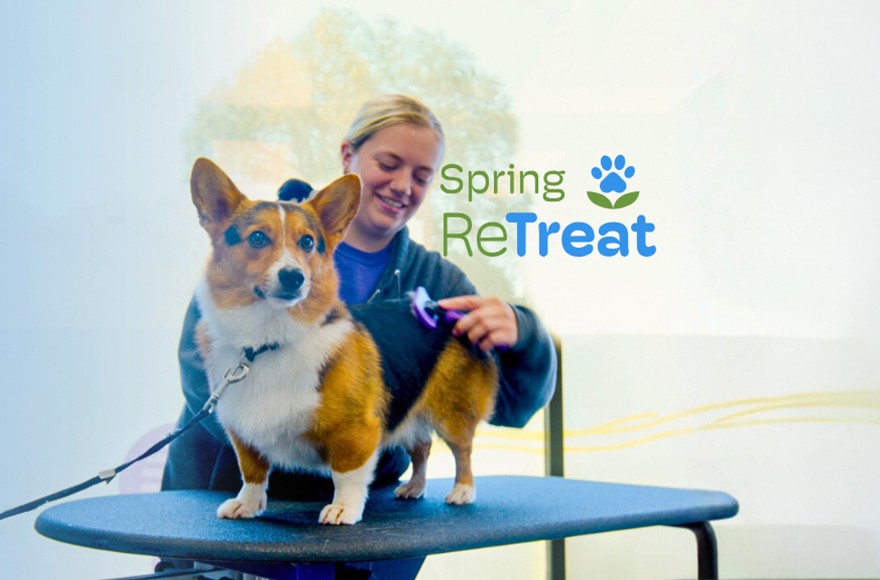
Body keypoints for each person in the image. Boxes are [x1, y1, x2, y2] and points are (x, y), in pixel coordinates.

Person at [161, 94, 557, 502]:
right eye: (388, 165)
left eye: (422, 176)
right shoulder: (245, 242)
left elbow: (510, 407)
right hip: (223, 504)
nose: (403, 186)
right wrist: (301, 441)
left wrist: (524, 333)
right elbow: (199, 375)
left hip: (368, 518)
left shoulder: (436, 281)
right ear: (347, 155)